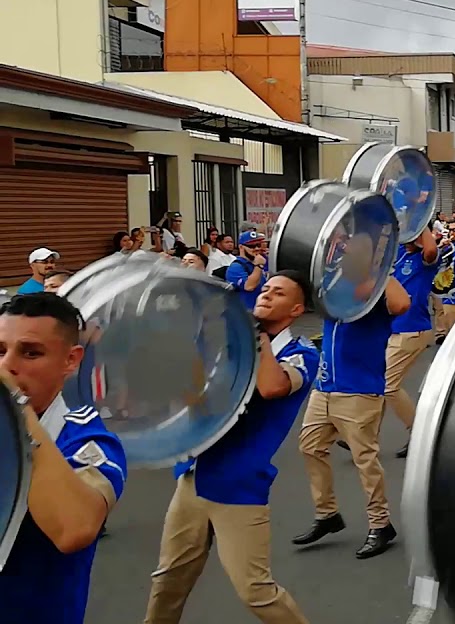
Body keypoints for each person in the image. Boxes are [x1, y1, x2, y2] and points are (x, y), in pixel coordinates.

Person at [144, 271, 320, 624]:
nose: (267, 294)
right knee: (169, 580)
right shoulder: (230, 343)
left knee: (255, 591)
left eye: (278, 293)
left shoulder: (302, 353)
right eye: (266, 288)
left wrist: (255, 335)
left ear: (297, 309)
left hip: (237, 486)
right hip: (193, 477)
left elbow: (271, 387)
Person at [0, 293, 127, 624]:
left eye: (31, 353)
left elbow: (75, 529)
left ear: (71, 360)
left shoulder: (88, 439)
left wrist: (15, 406)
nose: (6, 366)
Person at [294, 272, 411, 560]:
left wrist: (383, 269)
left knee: (365, 460)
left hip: (359, 389)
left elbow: (401, 305)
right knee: (310, 447)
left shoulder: (378, 290)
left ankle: (380, 524)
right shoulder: (335, 285)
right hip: (325, 385)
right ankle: (327, 514)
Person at [383, 229, 440, 459]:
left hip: (412, 330)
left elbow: (431, 249)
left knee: (388, 385)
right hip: (392, 328)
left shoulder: (425, 260)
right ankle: (362, 433)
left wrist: (420, 222)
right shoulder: (399, 254)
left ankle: (418, 433)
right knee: (379, 382)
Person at [225, 232, 269, 310]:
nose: (256, 249)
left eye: (258, 245)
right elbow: (249, 286)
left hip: (261, 310)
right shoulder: (236, 267)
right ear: (241, 247)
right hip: (245, 314)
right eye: (251, 246)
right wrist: (259, 266)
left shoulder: (262, 260)